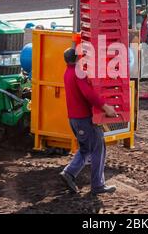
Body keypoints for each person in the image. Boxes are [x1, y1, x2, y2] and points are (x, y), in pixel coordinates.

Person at [60, 47, 118, 195]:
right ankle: (97, 185)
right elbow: (89, 94)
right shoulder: (78, 73)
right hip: (84, 119)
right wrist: (105, 107)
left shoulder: (67, 73)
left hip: (74, 119)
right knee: (99, 148)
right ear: (77, 58)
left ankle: (69, 173)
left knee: (86, 149)